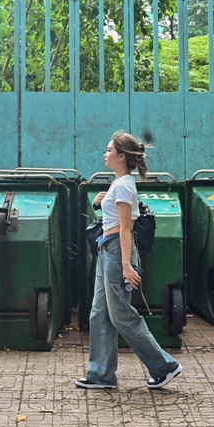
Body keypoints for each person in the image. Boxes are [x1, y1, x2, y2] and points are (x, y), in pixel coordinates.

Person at [76, 130, 182, 390]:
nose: (106, 153)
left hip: (116, 253)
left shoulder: (124, 185)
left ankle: (164, 366)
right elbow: (113, 219)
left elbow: (126, 228)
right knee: (99, 313)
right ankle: (101, 375)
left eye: (110, 150)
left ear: (122, 156)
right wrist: (101, 203)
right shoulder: (118, 183)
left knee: (121, 315)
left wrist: (125, 265)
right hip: (106, 250)